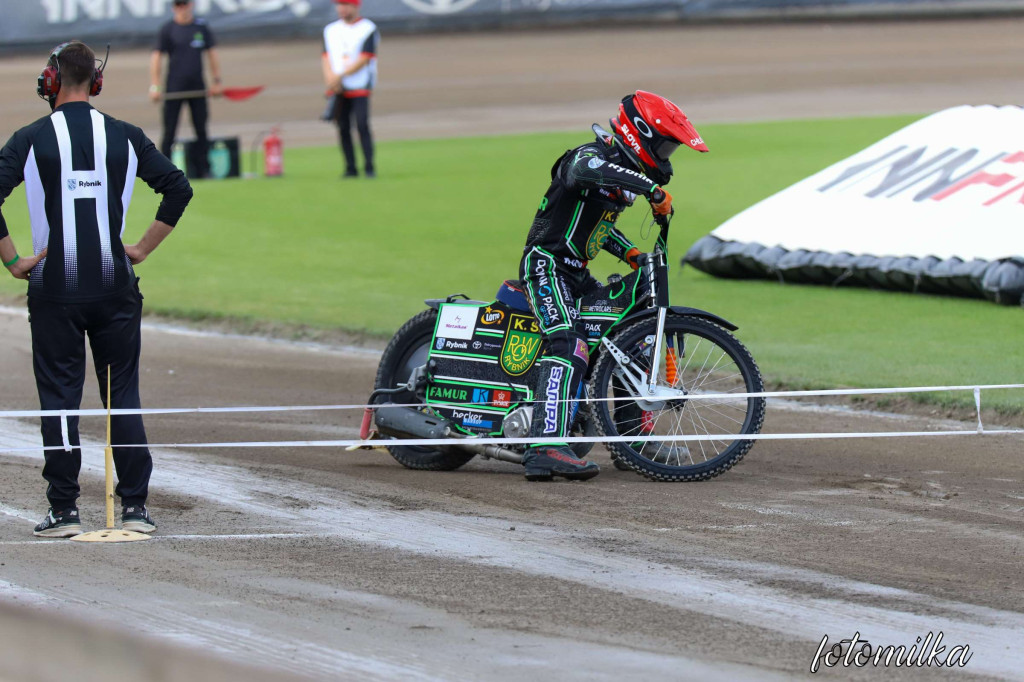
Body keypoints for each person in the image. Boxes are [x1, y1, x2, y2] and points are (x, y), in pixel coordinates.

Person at [0, 41, 193, 537]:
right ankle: (135, 508)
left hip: (54, 290)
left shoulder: (30, 137)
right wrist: (143, 248)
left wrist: (12, 259)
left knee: (60, 397)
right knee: (121, 394)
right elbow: (178, 188)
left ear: (52, 80)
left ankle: (64, 510)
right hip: (115, 288)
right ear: (96, 82)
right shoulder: (126, 136)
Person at [519, 90, 709, 482]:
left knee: (627, 338)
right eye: (665, 147)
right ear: (639, 133)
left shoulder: (618, 180)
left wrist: (633, 254)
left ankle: (631, 441)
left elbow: (596, 229)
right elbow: (581, 174)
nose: (666, 157)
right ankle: (544, 446)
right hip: (547, 267)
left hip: (575, 273)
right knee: (568, 344)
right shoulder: (588, 157)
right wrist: (650, 189)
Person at [150, 0, 222, 178]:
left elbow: (212, 53)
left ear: (191, 5)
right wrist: (155, 85)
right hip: (174, 88)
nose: (182, 8)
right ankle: (163, 171)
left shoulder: (201, 27)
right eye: (178, 5)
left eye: (185, 4)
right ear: (174, 8)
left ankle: (204, 168)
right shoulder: (168, 29)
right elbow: (157, 57)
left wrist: (217, 81)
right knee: (169, 130)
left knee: (201, 129)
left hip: (197, 87)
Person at [322, 0, 379, 178]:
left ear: (356, 6)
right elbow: (326, 57)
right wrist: (330, 79)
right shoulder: (330, 30)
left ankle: (369, 166)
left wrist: (340, 76)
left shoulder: (368, 28)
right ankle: (350, 167)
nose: (342, 9)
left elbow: (365, 58)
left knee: (362, 125)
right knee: (343, 127)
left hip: (359, 85)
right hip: (338, 88)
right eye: (339, 5)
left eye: (346, 4)